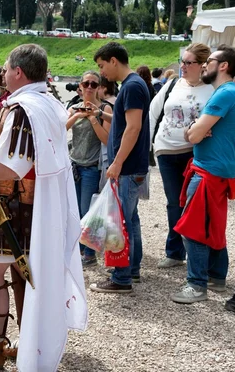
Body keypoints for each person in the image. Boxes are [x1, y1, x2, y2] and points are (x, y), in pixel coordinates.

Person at [0, 43, 87, 371]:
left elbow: (10, 168)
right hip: (35, 209)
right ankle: (28, 344)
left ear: (18, 72)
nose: (3, 71)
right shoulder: (50, 104)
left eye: (6, 66)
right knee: (25, 272)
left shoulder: (22, 109)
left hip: (10, 209)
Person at [170, 44, 235, 304]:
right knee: (212, 224)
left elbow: (194, 135)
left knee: (193, 228)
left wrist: (194, 127)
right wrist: (195, 129)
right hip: (217, 169)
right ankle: (216, 276)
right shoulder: (230, 91)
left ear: (223, 66)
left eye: (209, 61)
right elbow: (196, 133)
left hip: (208, 170)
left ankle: (196, 284)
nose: (204, 65)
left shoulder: (223, 93)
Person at [90, 42, 150, 293]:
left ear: (114, 61)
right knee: (130, 220)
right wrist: (100, 114)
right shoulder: (133, 85)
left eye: (102, 66)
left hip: (127, 168)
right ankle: (131, 270)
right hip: (131, 167)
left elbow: (133, 128)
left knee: (121, 221)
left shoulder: (133, 86)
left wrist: (116, 162)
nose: (102, 72)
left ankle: (122, 278)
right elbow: (126, 122)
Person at [149, 43, 214, 269]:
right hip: (166, 150)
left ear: (202, 66)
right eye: (182, 62)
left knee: (193, 205)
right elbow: (152, 112)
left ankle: (196, 254)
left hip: (193, 153)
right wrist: (148, 144)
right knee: (174, 203)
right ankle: (174, 252)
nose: (183, 66)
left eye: (188, 62)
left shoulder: (213, 89)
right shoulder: (173, 84)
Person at [66, 71, 112, 267]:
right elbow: (61, 129)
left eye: (94, 84)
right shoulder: (73, 107)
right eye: (87, 84)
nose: (90, 88)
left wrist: (93, 118)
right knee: (74, 210)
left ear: (100, 87)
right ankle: (78, 248)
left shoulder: (105, 108)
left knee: (88, 211)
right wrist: (77, 114)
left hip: (92, 167)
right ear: (81, 86)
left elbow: (107, 139)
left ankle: (90, 252)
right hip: (74, 164)